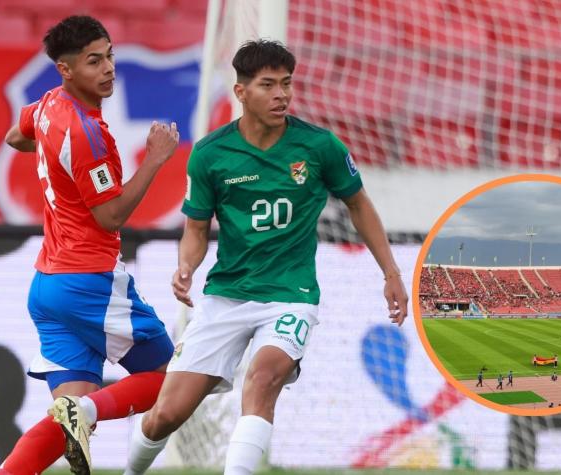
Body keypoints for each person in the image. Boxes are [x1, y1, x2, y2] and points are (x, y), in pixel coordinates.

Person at [103, 39, 409, 475]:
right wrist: (186, 266)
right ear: (241, 92)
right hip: (227, 294)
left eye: (287, 84)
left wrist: (390, 272)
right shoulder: (211, 154)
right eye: (268, 85)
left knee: (263, 379)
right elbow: (195, 229)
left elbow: (359, 204)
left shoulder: (319, 147)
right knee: (166, 415)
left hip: (291, 293)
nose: (281, 94)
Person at [0, 15, 180, 475]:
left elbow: (15, 136)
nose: (108, 68)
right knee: (171, 381)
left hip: (48, 287)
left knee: (67, 421)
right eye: (93, 61)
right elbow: (111, 215)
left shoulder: (45, 106)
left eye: (109, 55)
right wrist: (155, 160)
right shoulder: (87, 134)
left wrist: (52, 156)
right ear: (66, 69)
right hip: (89, 282)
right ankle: (91, 411)